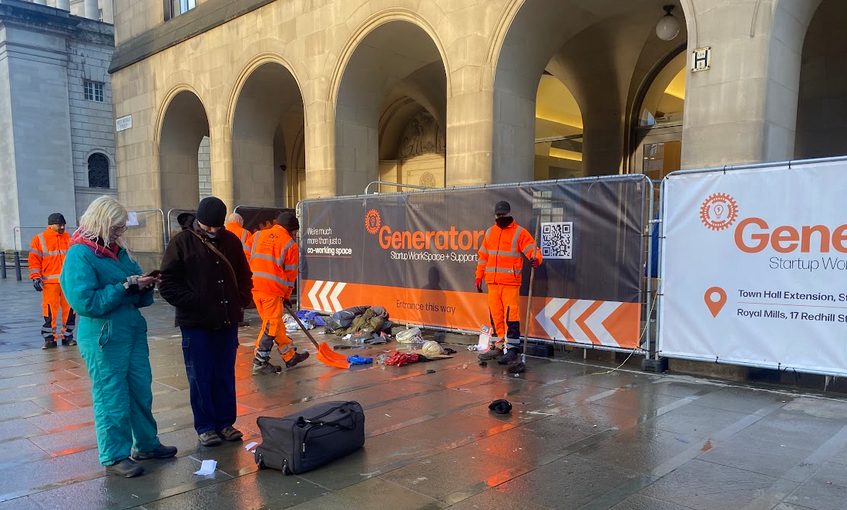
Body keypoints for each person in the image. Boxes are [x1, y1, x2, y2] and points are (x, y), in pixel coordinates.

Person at [60, 196, 176, 478]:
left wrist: (143, 284)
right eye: (115, 227)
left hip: (130, 331)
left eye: (122, 228)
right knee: (111, 395)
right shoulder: (80, 254)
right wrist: (124, 287)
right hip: (103, 335)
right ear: (100, 222)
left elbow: (133, 285)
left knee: (140, 389)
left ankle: (146, 444)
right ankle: (114, 455)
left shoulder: (117, 251)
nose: (119, 233)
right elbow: (84, 302)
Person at [159, 196, 253, 447]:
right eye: (207, 226)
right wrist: (196, 300)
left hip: (226, 319)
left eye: (216, 227)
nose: (212, 231)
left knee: (224, 373)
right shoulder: (181, 243)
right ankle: (205, 426)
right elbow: (167, 284)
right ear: (198, 221)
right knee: (200, 375)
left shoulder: (231, 241)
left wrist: (241, 299)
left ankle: (225, 422)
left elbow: (244, 274)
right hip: (196, 322)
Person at [475, 200, 542, 365]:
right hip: (493, 284)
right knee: (496, 316)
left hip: (510, 283)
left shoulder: (519, 233)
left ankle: (512, 349)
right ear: (495, 215)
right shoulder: (490, 233)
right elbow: (483, 257)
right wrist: (479, 276)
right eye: (499, 215)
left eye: (503, 214)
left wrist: (536, 259)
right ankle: (499, 346)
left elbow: (533, 249)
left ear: (509, 213)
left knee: (511, 316)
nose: (501, 217)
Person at [249, 211, 309, 374]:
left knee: (274, 322)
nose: (295, 234)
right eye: (295, 231)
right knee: (271, 325)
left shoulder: (257, 236)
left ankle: (290, 356)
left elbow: (246, 257)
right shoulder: (290, 244)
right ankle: (260, 361)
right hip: (272, 290)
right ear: (291, 230)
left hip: (254, 287)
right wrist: (287, 295)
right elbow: (290, 275)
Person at [29, 213, 76, 349]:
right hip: (50, 284)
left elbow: (75, 259)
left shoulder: (70, 238)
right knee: (50, 312)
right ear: (50, 225)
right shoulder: (40, 239)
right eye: (59, 225)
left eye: (63, 225)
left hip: (68, 282)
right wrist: (35, 277)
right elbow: (34, 261)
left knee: (70, 311)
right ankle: (50, 339)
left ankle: (68, 337)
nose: (62, 227)